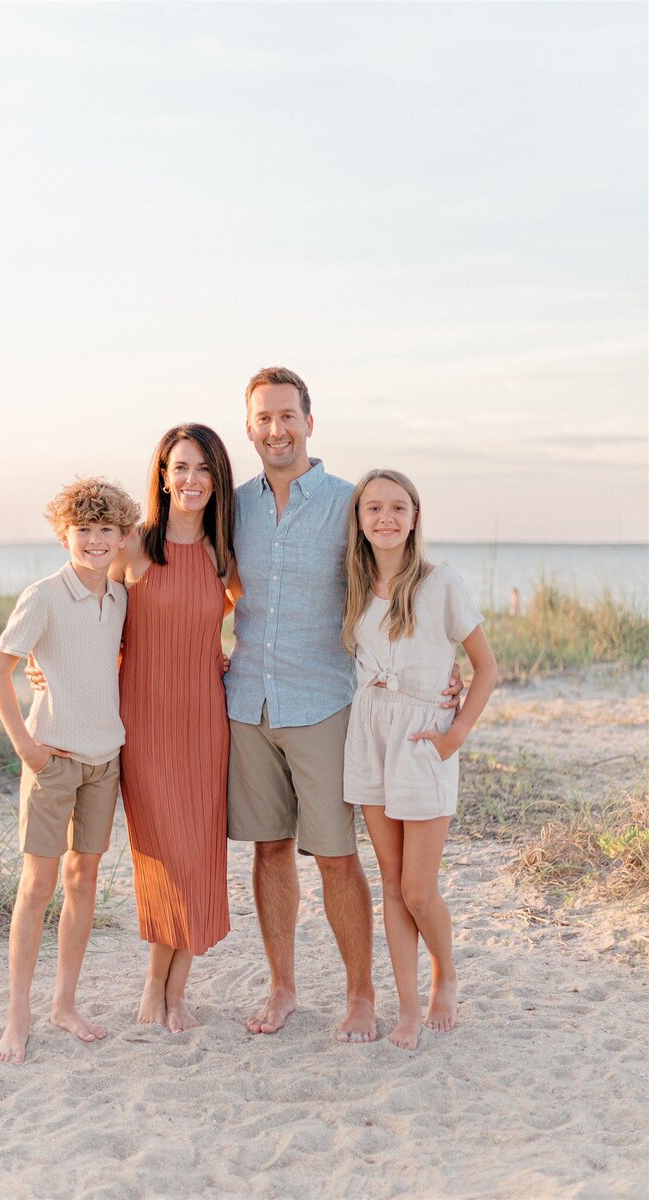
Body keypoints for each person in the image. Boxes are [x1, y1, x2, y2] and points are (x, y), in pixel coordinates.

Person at [224, 367, 464, 1044]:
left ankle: (361, 995)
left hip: (326, 703)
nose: (277, 429)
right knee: (268, 851)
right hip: (247, 701)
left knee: (335, 856)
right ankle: (283, 985)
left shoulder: (346, 501)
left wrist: (446, 672)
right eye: (264, 418)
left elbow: (403, 577)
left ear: (309, 421)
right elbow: (199, 581)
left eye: (288, 416)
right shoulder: (232, 506)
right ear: (250, 427)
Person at [0, 477, 140, 1064]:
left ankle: (64, 1003)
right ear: (63, 534)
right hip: (54, 760)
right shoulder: (44, 595)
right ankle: (17, 1014)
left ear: (123, 536)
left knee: (84, 882)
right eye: (84, 530)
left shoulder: (121, 596)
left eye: (107, 531)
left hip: (107, 760)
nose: (96, 541)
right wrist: (26, 745)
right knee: (37, 886)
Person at [342, 469, 497, 1050]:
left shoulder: (440, 583)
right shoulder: (353, 587)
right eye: (373, 508)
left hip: (423, 741)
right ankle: (407, 1008)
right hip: (371, 737)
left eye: (397, 508)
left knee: (419, 890)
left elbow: (487, 667)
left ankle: (446, 974)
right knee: (389, 883)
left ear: (414, 517)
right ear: (359, 519)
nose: (385, 518)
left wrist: (454, 734)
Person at [111, 424, 235, 1033]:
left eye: (205, 469)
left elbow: (255, 615)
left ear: (218, 480)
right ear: (162, 474)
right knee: (162, 855)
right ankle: (153, 985)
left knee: (201, 854)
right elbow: (87, 613)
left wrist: (233, 659)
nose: (192, 480)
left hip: (206, 721)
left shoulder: (223, 554)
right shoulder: (133, 547)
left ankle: (175, 991)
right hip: (145, 722)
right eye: (181, 467)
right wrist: (41, 666)